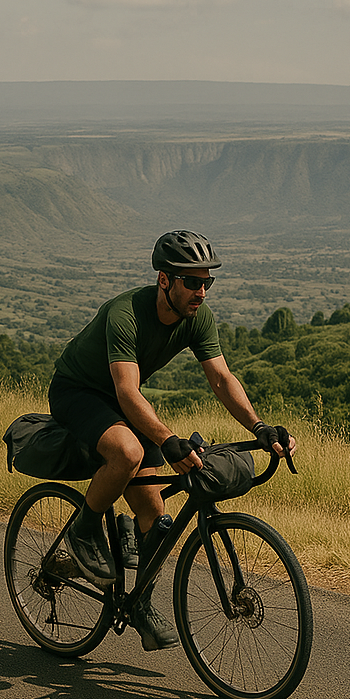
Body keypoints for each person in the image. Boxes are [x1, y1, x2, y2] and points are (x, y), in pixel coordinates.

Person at [48, 229, 294, 652]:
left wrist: (259, 427)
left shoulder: (198, 318)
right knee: (129, 452)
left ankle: (139, 602)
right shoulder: (126, 312)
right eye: (192, 282)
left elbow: (221, 378)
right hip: (79, 393)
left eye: (207, 282)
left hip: (123, 400)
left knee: (153, 509)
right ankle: (83, 532)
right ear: (165, 280)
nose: (202, 291)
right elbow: (126, 392)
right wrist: (168, 439)